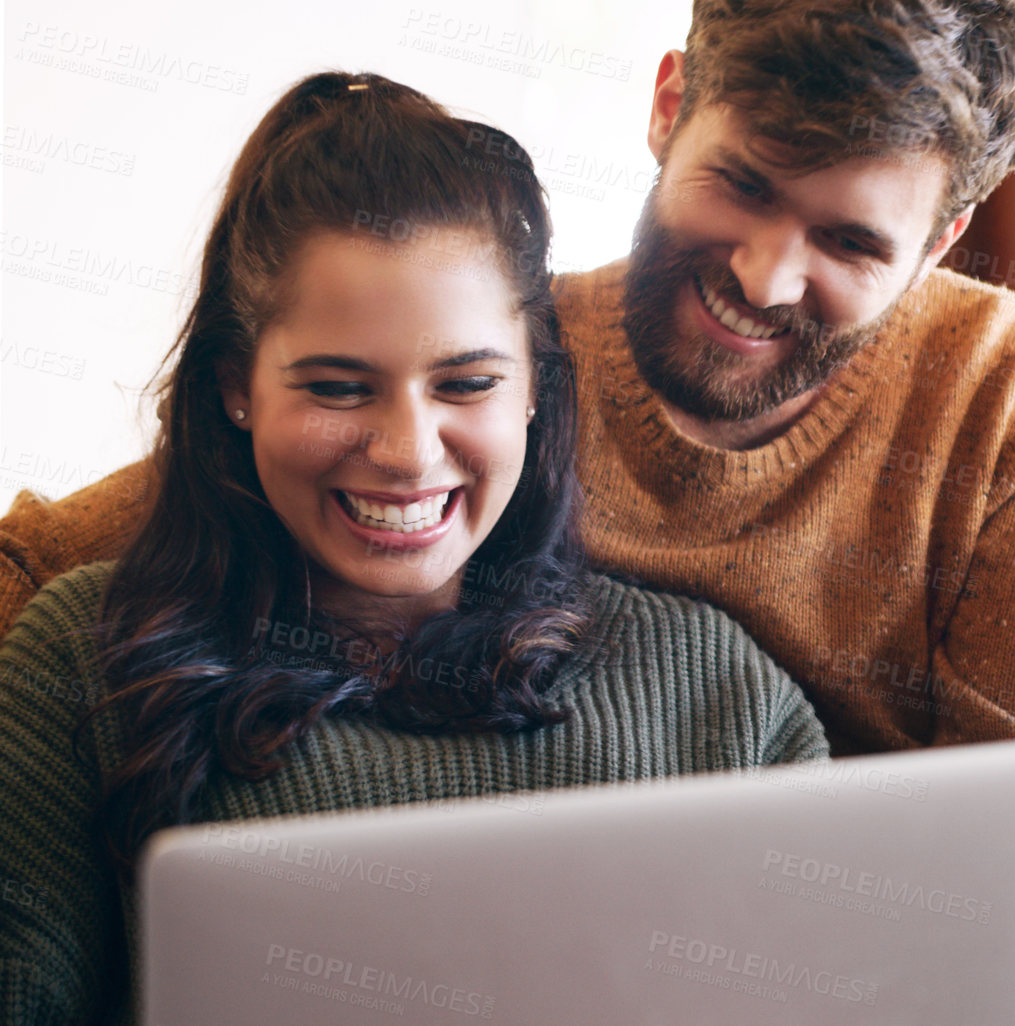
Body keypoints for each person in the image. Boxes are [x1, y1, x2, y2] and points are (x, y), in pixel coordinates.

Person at [0, 2, 1015, 1022]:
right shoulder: (486, 365)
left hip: (957, 974)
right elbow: (149, 519)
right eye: (743, 185)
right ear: (669, 107)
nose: (764, 278)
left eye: (849, 238)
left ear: (947, 234)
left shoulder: (1008, 392)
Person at [0, 72, 826, 1025]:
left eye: (467, 383)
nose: (405, 453)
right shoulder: (84, 664)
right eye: (338, 389)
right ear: (237, 387)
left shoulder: (711, 691)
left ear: (531, 386)